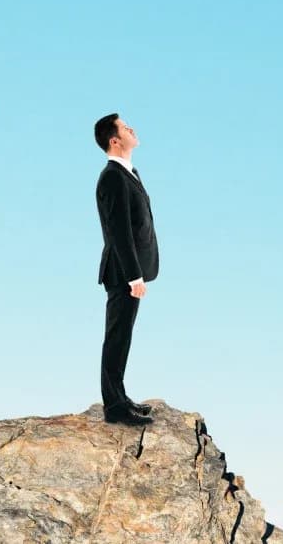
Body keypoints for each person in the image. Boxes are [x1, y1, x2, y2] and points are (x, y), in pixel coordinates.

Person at [93, 113, 160, 426]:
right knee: (117, 337)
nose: (132, 128)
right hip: (122, 272)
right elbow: (119, 231)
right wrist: (134, 275)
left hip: (130, 271)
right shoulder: (112, 177)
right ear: (114, 140)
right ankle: (115, 407)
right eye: (125, 127)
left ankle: (119, 398)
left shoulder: (129, 173)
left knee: (123, 336)